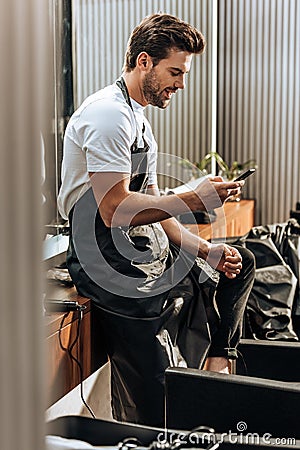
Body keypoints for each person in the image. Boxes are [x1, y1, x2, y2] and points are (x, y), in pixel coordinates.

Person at [58, 13, 255, 426]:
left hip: (141, 244)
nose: (181, 84)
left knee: (240, 264)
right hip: (106, 257)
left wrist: (206, 249)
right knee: (159, 394)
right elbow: (113, 210)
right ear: (144, 62)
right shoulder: (108, 116)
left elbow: (149, 206)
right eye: (175, 72)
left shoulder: (139, 121)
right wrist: (191, 197)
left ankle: (219, 364)